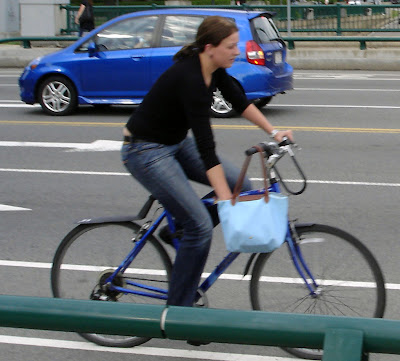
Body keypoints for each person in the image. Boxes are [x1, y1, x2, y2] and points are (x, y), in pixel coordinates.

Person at [121, 16, 293, 310]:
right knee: (201, 226)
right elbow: (206, 146)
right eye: (230, 46)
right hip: (145, 150)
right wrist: (224, 199)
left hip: (174, 142)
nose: (236, 51)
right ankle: (179, 309)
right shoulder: (189, 79)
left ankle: (178, 231)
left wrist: (274, 132)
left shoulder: (214, 70)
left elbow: (240, 102)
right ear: (209, 47)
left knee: (240, 185)